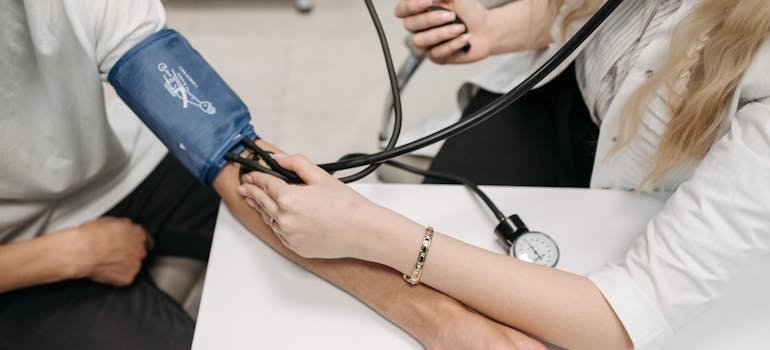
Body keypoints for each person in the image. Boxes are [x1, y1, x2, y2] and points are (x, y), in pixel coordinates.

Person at [0, 1, 546, 349]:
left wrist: (446, 323)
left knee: (303, 220)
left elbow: (229, 152)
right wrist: (70, 253)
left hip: (128, 163)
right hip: (21, 255)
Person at [237, 0, 770, 349]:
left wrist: (367, 230)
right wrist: (497, 29)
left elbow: (624, 317)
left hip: (636, 199)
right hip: (550, 107)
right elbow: (607, 14)